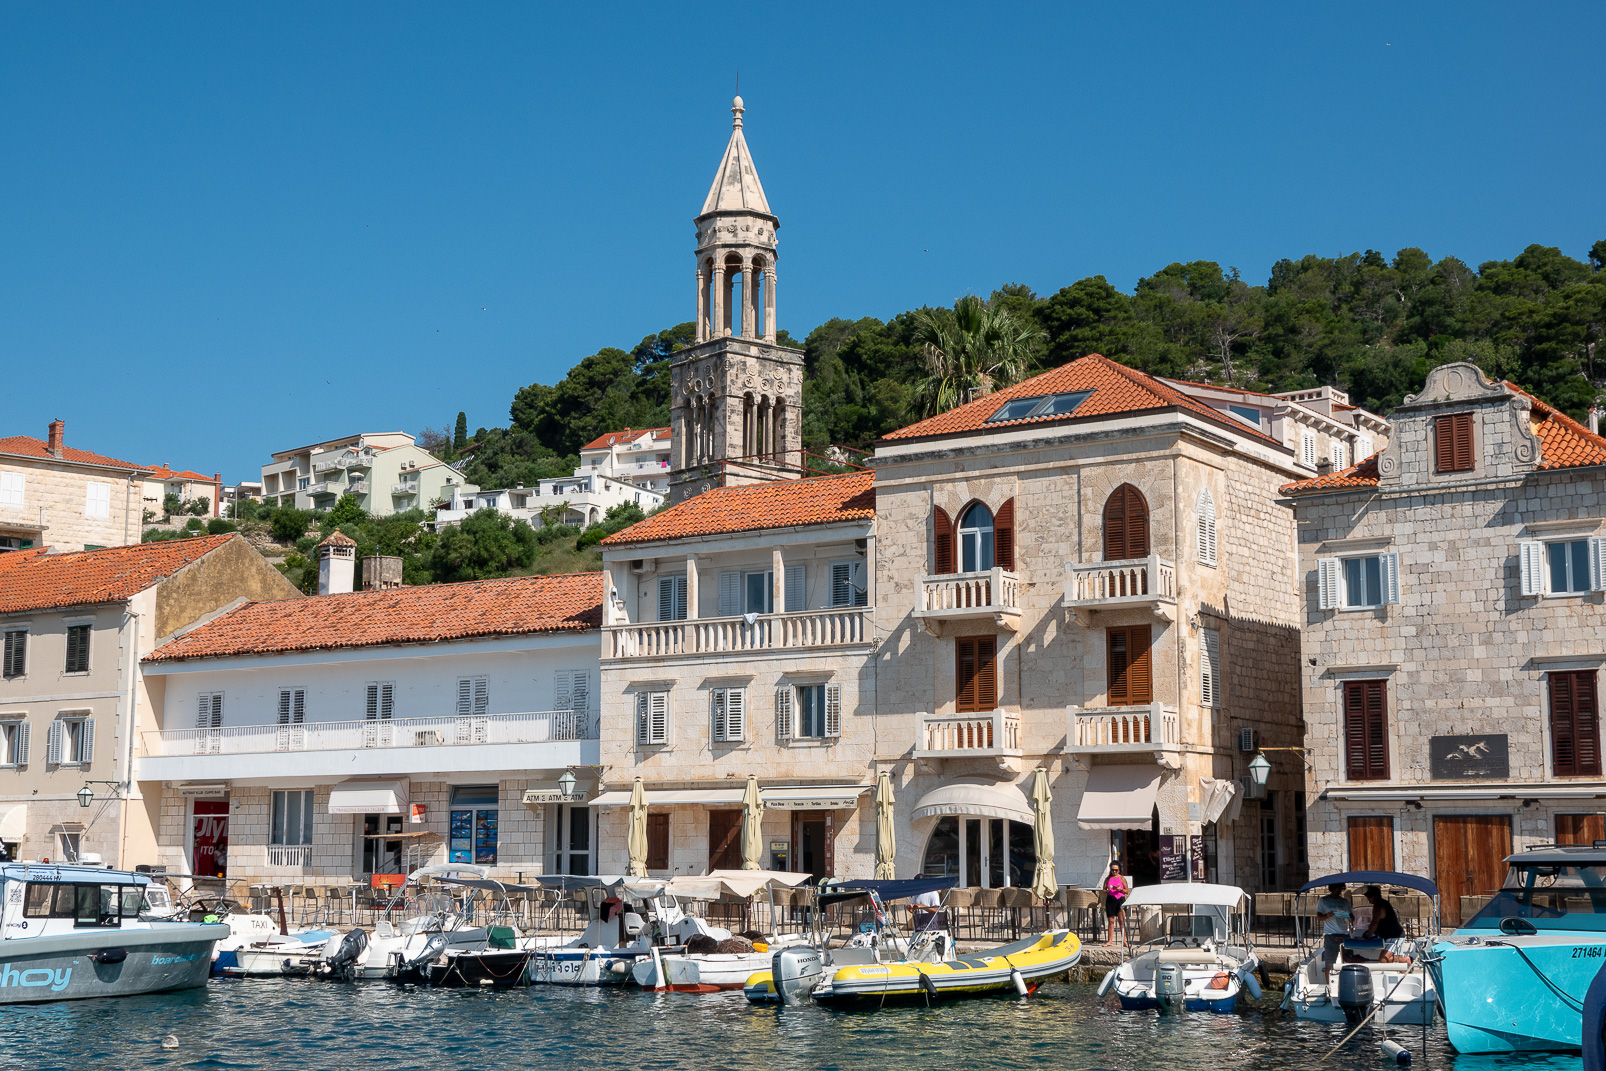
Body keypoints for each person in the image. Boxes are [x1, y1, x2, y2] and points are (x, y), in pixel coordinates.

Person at [1316, 882, 1353, 979]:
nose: (1339, 891)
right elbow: (1319, 917)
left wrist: (1348, 917)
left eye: (1340, 889)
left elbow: (1352, 917)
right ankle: (1329, 985)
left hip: (1344, 934)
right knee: (1329, 963)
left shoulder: (1344, 901)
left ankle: (1348, 980)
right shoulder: (1323, 900)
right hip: (1330, 934)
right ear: (1332, 889)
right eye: (1337, 889)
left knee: (1349, 961)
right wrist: (1327, 916)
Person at [1104, 862, 1131, 944]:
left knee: (1121, 921)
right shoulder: (1107, 879)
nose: (1114, 872)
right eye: (1112, 870)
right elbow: (1104, 890)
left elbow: (1127, 891)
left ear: (1119, 870)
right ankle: (1110, 941)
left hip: (1120, 899)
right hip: (1110, 900)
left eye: (1116, 870)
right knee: (1111, 921)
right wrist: (1107, 890)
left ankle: (1124, 940)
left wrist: (1120, 889)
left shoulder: (1122, 878)